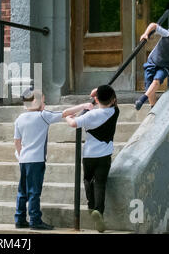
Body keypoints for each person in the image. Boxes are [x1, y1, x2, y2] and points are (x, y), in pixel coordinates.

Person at [63, 85, 119, 233]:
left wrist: (68, 117)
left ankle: (91, 206)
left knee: (88, 180)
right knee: (100, 183)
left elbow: (74, 124)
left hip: (89, 155)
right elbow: (110, 97)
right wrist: (98, 93)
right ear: (113, 100)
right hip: (105, 155)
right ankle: (99, 211)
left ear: (96, 98)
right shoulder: (115, 111)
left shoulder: (89, 115)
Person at [13, 88, 64, 230]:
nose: (44, 101)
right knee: (34, 191)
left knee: (22, 190)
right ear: (36, 101)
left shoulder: (20, 118)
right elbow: (65, 114)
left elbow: (17, 141)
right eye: (42, 99)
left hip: (24, 159)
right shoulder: (43, 116)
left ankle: (20, 218)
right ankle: (35, 220)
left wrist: (21, 155)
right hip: (36, 160)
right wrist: (84, 106)